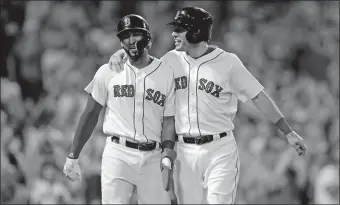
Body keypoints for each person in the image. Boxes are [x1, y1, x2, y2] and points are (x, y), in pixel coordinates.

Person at [108, 7, 307, 204]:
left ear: (196, 31)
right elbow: (144, 67)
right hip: (184, 152)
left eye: (180, 29)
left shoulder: (228, 63)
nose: (174, 34)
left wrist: (287, 131)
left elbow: (258, 96)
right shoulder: (170, 60)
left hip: (219, 150)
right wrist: (122, 53)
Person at [63, 14, 177, 204]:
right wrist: (73, 156)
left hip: (153, 156)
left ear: (147, 38)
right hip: (118, 153)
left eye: (136, 35)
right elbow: (90, 114)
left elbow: (168, 119)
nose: (131, 40)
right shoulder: (108, 71)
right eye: (126, 36)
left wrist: (167, 154)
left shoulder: (166, 72)